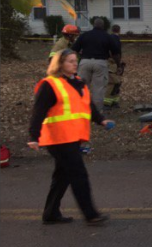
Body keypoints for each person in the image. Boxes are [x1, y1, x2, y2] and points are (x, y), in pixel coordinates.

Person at [27, 49, 112, 225]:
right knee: (78, 175)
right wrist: (33, 136)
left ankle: (50, 214)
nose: (75, 64)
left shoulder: (78, 82)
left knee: (62, 176)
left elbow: (87, 106)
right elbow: (38, 112)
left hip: (72, 137)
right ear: (59, 64)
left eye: (75, 61)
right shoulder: (50, 84)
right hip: (58, 139)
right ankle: (91, 215)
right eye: (70, 61)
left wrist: (101, 120)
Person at [71, 17, 121, 114]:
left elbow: (74, 49)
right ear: (103, 26)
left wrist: (77, 60)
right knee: (98, 88)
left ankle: (80, 109)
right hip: (100, 63)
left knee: (82, 86)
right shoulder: (107, 36)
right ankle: (97, 112)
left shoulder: (84, 35)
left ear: (93, 25)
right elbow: (115, 53)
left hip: (85, 62)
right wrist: (118, 65)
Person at [104, 24, 126, 108]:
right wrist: (119, 65)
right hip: (112, 64)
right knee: (113, 83)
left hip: (110, 63)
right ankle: (106, 103)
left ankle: (114, 101)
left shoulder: (108, 38)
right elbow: (116, 53)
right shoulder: (115, 39)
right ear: (119, 30)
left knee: (116, 84)